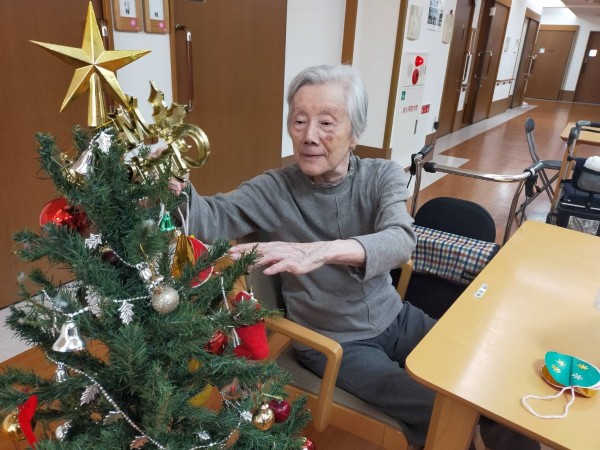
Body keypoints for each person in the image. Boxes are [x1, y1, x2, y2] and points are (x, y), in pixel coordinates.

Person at [172, 64, 539, 450]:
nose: (309, 136)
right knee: (445, 409)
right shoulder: (276, 188)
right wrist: (174, 187)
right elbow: (207, 217)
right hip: (336, 344)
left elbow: (400, 240)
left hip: (395, 317)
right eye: (299, 121)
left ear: (355, 132)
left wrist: (319, 251)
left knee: (489, 381)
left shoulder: (381, 176)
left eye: (326, 123)